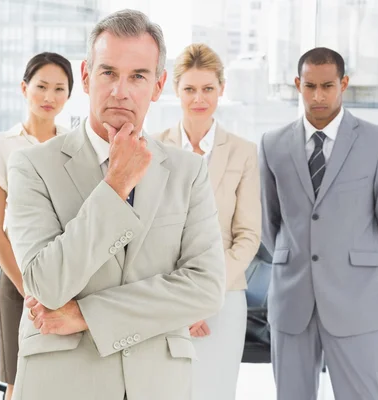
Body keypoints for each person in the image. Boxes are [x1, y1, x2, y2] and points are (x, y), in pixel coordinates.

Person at [6, 9, 226, 400]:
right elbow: (46, 284)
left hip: (158, 384)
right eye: (108, 72)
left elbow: (206, 288)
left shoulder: (188, 172)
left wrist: (88, 315)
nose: (120, 90)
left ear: (157, 86)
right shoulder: (31, 165)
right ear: (87, 77)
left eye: (138, 76)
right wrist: (116, 185)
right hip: (62, 383)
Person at [260, 47, 378, 400]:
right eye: (309, 86)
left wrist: (359, 269)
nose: (318, 96)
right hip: (292, 302)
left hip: (357, 300)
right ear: (297, 85)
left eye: (327, 86)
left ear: (344, 84)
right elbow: (267, 221)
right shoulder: (272, 144)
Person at [153, 43, 260, 400]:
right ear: (174, 89)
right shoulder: (154, 147)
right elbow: (147, 232)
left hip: (224, 299)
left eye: (208, 89)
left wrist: (205, 297)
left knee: (215, 391)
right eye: (190, 89)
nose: (199, 98)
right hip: (166, 296)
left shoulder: (243, 151)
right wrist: (182, 301)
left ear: (222, 89)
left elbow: (247, 236)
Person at [0, 51, 73, 400]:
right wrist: (30, 290)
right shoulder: (2, 147)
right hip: (20, 281)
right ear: (24, 88)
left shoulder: (73, 145)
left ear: (68, 96)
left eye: (59, 89)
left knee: (65, 381)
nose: (49, 97)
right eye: (41, 86)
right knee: (19, 383)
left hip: (68, 281)